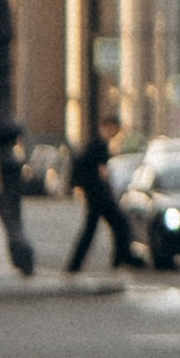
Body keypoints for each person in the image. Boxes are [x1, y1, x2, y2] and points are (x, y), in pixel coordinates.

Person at [64, 117, 129, 274]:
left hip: (94, 194)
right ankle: (119, 259)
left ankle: (75, 265)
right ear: (110, 127)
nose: (116, 134)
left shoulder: (95, 143)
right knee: (120, 224)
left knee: (91, 230)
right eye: (116, 129)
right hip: (99, 195)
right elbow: (100, 170)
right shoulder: (99, 144)